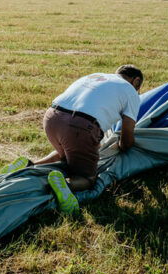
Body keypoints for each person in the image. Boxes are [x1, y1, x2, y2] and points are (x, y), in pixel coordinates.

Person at [31, 65, 143, 214]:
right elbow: (127, 136)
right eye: (138, 87)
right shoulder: (130, 91)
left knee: (67, 154)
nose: (137, 91)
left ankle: (29, 165)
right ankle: (64, 185)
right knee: (88, 179)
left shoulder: (96, 76)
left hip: (52, 117)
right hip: (80, 126)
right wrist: (122, 146)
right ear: (136, 81)